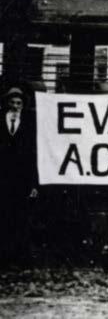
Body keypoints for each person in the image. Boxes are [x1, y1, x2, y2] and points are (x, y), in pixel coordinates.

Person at [0, 87, 38, 265]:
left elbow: (33, 154)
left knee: (21, 217)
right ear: (7, 103)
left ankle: (20, 257)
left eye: (19, 103)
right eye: (12, 102)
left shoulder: (29, 124)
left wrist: (34, 184)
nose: (15, 106)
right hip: (3, 178)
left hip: (22, 179)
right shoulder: (1, 120)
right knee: (4, 216)